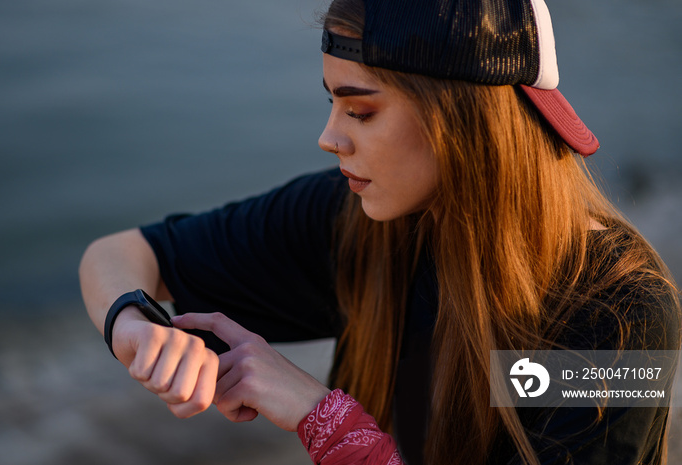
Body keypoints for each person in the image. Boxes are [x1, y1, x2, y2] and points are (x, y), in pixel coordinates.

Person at [79, 0, 681, 464]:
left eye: (360, 111)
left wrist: (325, 419)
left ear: (462, 118)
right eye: (332, 104)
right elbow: (126, 253)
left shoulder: (621, 311)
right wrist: (136, 326)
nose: (329, 137)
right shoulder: (361, 224)